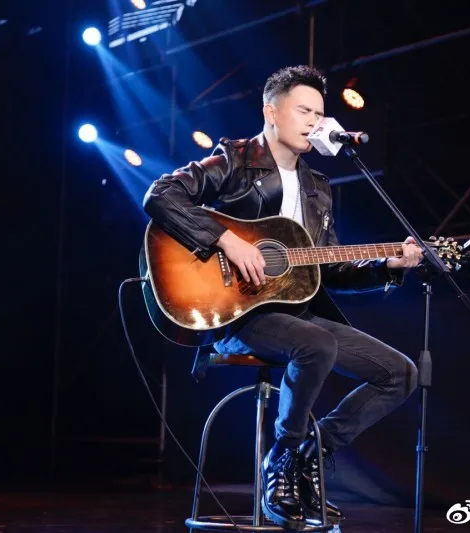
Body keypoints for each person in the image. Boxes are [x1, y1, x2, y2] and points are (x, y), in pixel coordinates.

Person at [143, 65, 421, 529]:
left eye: (319, 114)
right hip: (237, 313)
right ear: (271, 112)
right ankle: (284, 455)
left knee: (401, 373)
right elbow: (161, 194)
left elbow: (328, 271)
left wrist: (388, 267)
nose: (314, 121)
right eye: (303, 110)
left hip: (299, 315)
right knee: (317, 344)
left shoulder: (318, 189)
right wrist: (226, 241)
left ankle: (310, 453)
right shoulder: (235, 159)